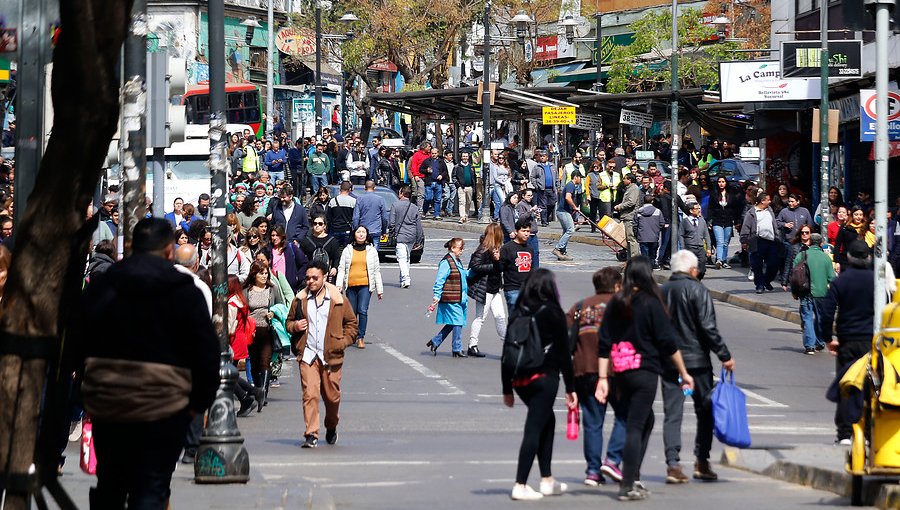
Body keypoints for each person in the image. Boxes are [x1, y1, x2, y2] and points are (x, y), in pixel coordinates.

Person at [75, 218, 219, 508]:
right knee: (152, 487)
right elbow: (206, 353)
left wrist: (86, 389)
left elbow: (79, 339)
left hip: (109, 401)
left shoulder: (103, 285)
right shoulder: (184, 290)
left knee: (111, 483)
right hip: (164, 403)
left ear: (131, 246)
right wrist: (195, 405)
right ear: (169, 250)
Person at [595, 256, 694, 501]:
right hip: (645, 371)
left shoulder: (617, 301)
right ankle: (628, 483)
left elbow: (604, 342)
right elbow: (668, 343)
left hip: (620, 371)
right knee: (635, 425)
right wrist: (683, 373)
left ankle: (634, 477)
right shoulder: (652, 302)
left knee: (644, 420)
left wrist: (602, 378)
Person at [501, 269, 577, 501]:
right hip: (545, 377)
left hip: (520, 379)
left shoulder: (518, 311)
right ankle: (520, 484)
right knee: (534, 428)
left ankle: (547, 480)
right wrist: (571, 388)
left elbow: (507, 352)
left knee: (547, 422)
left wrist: (507, 388)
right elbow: (564, 354)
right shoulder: (553, 312)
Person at [659, 250, 734, 483]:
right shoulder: (698, 289)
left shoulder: (662, 292)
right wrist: (724, 355)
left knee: (673, 413)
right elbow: (707, 327)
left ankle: (672, 463)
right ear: (693, 270)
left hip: (671, 363)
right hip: (696, 362)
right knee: (704, 410)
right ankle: (701, 460)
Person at [286, 261, 359, 448]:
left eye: (315, 278)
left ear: (324, 277)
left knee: (332, 397)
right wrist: (295, 326)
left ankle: (331, 425)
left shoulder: (338, 300)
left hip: (331, 356)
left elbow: (351, 324)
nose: (310, 281)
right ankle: (311, 434)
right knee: (310, 394)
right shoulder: (299, 300)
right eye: (308, 278)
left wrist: (341, 342)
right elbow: (289, 322)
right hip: (308, 355)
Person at [566, 267, 627, 487]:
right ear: (618, 286)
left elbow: (565, 339)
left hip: (583, 370)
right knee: (626, 415)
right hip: (616, 370)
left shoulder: (580, 306)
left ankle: (593, 471)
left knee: (593, 422)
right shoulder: (622, 306)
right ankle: (612, 459)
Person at [819, 240, 874, 445]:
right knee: (870, 387)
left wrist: (827, 338)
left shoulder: (840, 282)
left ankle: (844, 433)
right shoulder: (875, 282)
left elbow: (826, 312)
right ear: (868, 257)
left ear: (849, 257)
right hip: (870, 342)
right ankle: (867, 433)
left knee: (846, 385)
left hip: (847, 341)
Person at [243, 260, 285, 410]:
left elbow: (281, 305)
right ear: (254, 274)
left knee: (265, 361)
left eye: (266, 273)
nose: (264, 275)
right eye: (261, 273)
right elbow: (243, 309)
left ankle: (264, 393)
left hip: (267, 330)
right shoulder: (247, 290)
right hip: (252, 332)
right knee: (254, 364)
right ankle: (258, 389)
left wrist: (273, 312)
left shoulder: (272, 289)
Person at [336, 225, 384, 349]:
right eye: (359, 232)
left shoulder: (371, 250)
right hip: (351, 285)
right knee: (352, 313)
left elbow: (376, 271)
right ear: (354, 234)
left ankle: (360, 337)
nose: (361, 234)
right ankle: (351, 335)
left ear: (367, 235)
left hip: (365, 285)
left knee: (362, 310)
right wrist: (339, 285)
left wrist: (380, 289)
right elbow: (341, 269)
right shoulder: (348, 250)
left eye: (363, 232)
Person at [466, 223, 506, 358]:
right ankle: (472, 345)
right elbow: (474, 265)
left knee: (500, 317)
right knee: (480, 318)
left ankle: (508, 347)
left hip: (495, 289)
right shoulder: (483, 249)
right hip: (485, 288)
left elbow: (500, 267)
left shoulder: (497, 248)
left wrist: (498, 261)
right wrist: (493, 265)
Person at [227, 274, 264, 417]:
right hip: (241, 338)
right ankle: (254, 392)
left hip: (233, 340)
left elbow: (229, 326)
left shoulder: (231, 304)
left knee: (228, 375)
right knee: (232, 374)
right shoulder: (240, 301)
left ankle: (246, 398)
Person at [425, 238, 470, 357]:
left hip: (458, 297)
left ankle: (435, 341)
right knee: (458, 321)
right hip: (451, 298)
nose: (462, 250)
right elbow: (440, 280)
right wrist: (436, 296)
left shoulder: (457, 261)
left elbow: (463, 276)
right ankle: (456, 348)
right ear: (453, 248)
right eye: (461, 248)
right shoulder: (446, 262)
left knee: (453, 322)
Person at [795, 231, 835, 354]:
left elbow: (794, 276)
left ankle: (809, 345)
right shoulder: (826, 258)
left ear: (810, 242)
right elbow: (831, 278)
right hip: (822, 293)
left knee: (807, 318)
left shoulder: (801, 255)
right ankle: (819, 342)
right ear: (821, 244)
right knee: (820, 318)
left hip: (805, 292)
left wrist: (794, 291)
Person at [740, 192, 782, 294]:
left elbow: (774, 224)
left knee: (774, 263)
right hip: (758, 240)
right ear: (762, 201)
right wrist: (744, 240)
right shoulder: (751, 213)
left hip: (771, 241)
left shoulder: (769, 210)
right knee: (757, 265)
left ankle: (766, 280)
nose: (770, 201)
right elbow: (746, 227)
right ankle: (759, 285)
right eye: (768, 199)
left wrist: (778, 236)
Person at [389, 185, 424, 289]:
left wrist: (392, 233)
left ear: (401, 193)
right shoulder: (414, 207)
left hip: (400, 235)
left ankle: (406, 277)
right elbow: (418, 225)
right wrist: (419, 239)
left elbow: (391, 223)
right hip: (411, 235)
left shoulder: (395, 205)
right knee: (407, 258)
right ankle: (403, 279)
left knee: (402, 258)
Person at [777, 194, 813, 290]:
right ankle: (790, 281)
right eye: (789, 201)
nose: (790, 203)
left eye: (793, 201)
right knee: (791, 261)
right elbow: (777, 222)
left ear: (798, 202)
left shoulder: (805, 211)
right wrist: (785, 224)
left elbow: (810, 225)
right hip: (790, 241)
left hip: (803, 242)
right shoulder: (784, 212)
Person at [500, 218, 534, 310]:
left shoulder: (530, 249)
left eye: (528, 231)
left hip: (527, 290)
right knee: (515, 320)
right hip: (512, 289)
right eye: (523, 231)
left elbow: (533, 269)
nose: (526, 234)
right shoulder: (507, 248)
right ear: (516, 231)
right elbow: (500, 268)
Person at [299, 215, 342, 283]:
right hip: (311, 276)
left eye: (320, 224)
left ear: (324, 226)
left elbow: (336, 257)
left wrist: (334, 268)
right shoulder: (306, 241)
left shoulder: (332, 241)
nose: (317, 225)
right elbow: (300, 258)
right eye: (315, 223)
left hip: (327, 276)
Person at [707, 177, 739, 269]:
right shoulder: (714, 194)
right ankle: (719, 260)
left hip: (728, 221)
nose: (721, 183)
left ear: (726, 183)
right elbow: (710, 208)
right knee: (719, 241)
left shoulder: (731, 194)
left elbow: (734, 208)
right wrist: (710, 221)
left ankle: (724, 260)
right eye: (719, 182)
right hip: (717, 221)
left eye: (723, 182)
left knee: (725, 242)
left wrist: (736, 221)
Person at [269, 224, 308, 293]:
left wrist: (298, 277)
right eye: (273, 235)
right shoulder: (268, 249)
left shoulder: (290, 248)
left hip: (289, 287)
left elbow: (304, 263)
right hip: (273, 286)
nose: (275, 238)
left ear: (282, 236)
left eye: (277, 235)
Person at [552, 171, 582, 262]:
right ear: (576, 177)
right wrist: (575, 207)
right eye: (580, 177)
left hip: (564, 211)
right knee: (570, 229)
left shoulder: (572, 185)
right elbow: (567, 197)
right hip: (563, 211)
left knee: (566, 231)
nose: (581, 180)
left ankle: (562, 252)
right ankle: (558, 249)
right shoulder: (570, 185)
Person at [681, 201, 711, 280]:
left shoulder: (702, 220)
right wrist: (682, 248)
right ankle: (692, 282)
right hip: (690, 247)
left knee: (702, 268)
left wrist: (708, 248)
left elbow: (706, 235)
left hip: (700, 248)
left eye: (699, 208)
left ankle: (697, 280)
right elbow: (681, 235)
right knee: (691, 268)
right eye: (697, 209)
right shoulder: (684, 221)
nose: (699, 210)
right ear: (691, 210)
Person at [616, 173, 641, 259]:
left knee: (631, 239)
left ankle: (634, 259)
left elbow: (631, 202)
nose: (623, 180)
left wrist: (620, 206)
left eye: (625, 178)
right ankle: (630, 258)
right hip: (626, 216)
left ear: (629, 180)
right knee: (628, 239)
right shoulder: (629, 189)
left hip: (630, 216)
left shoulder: (634, 189)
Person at [529, 150, 557, 227]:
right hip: (542, 189)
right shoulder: (537, 166)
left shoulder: (552, 166)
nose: (542, 158)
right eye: (541, 156)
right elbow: (532, 177)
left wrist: (557, 185)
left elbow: (556, 177)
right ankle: (544, 221)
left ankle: (546, 217)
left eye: (543, 156)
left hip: (551, 189)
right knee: (543, 205)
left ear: (547, 157)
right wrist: (537, 186)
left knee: (552, 203)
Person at [516, 188, 541, 269]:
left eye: (531, 195)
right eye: (528, 195)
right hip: (527, 233)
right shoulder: (521, 205)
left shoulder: (529, 204)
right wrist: (531, 211)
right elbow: (521, 218)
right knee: (527, 253)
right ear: (523, 196)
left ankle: (536, 271)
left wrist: (535, 215)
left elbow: (529, 216)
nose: (530, 197)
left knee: (536, 253)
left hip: (533, 232)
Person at [635, 195, 665, 264]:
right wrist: (657, 230)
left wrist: (637, 234)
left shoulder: (638, 212)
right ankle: (652, 265)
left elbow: (635, 225)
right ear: (652, 201)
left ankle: (645, 267)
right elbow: (662, 223)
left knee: (644, 255)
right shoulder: (658, 211)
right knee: (652, 255)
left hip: (642, 236)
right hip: (654, 236)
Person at [327, 181, 357, 248]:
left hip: (335, 230)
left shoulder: (333, 201)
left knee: (335, 252)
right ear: (350, 190)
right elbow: (355, 217)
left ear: (340, 189)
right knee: (347, 252)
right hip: (348, 230)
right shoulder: (353, 201)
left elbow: (328, 217)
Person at [454, 150, 477, 223]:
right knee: (462, 202)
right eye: (464, 156)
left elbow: (474, 177)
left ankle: (466, 216)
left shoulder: (471, 166)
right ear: (461, 157)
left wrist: (474, 186)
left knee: (468, 202)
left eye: (466, 156)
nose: (465, 158)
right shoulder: (457, 166)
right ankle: (462, 217)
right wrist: (458, 185)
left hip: (470, 187)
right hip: (461, 187)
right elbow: (454, 177)